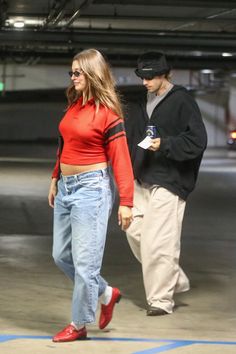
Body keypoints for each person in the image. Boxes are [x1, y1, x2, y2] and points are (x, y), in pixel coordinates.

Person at [48, 48, 134, 342]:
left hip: (91, 190)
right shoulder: (73, 106)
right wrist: (55, 178)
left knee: (85, 263)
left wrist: (126, 202)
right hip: (66, 188)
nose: (73, 77)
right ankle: (107, 293)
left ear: (93, 74)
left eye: (78, 72)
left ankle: (79, 324)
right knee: (60, 255)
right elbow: (64, 144)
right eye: (71, 72)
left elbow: (121, 159)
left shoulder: (108, 114)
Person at [125, 51, 207, 316]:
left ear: (164, 75)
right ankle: (174, 277)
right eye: (143, 77)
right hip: (142, 177)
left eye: (150, 77)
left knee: (158, 241)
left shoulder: (182, 100)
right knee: (135, 232)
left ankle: (160, 301)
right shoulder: (141, 103)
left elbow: (197, 140)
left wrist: (167, 144)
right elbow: (132, 139)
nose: (145, 82)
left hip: (170, 179)